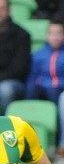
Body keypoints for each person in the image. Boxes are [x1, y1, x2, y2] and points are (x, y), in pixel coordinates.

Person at [25, 22, 64, 156]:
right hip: (43, 89)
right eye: (52, 33)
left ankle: (59, 142)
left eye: (59, 33)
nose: (55, 37)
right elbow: (33, 76)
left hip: (60, 90)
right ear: (47, 36)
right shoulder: (38, 54)